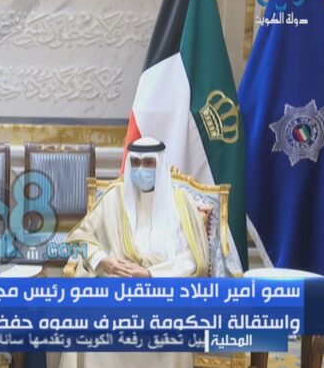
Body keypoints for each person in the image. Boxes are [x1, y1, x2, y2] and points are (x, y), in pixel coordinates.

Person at [58, 137, 212, 368]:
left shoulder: (182, 202)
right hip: (116, 282)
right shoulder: (114, 197)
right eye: (136, 163)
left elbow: (194, 258)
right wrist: (103, 260)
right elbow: (79, 238)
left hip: (162, 286)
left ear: (160, 163)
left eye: (148, 162)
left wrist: (150, 275)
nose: (141, 170)